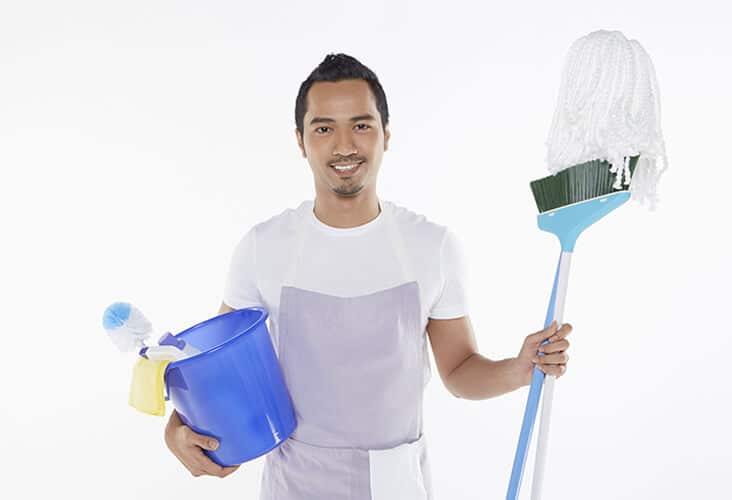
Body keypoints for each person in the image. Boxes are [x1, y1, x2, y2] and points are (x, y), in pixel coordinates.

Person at [164, 53, 572, 499]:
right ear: (300, 140)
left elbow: (458, 370)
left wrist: (518, 369)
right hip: (297, 485)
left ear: (385, 136)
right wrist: (176, 431)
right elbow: (218, 372)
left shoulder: (431, 247)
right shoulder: (263, 248)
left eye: (361, 126)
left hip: (397, 485)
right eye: (324, 128)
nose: (344, 146)